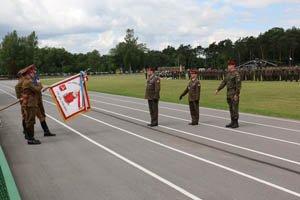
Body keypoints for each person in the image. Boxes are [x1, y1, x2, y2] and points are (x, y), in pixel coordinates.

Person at [215, 61, 241, 128]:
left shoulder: (236, 74)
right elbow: (224, 82)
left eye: (229, 65)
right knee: (231, 108)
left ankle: (236, 122)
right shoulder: (228, 74)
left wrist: (236, 94)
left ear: (233, 66)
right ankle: (232, 122)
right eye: (228, 65)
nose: (228, 66)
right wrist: (218, 89)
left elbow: (238, 86)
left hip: (234, 94)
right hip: (229, 94)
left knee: (235, 108)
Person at [22, 65, 43, 144]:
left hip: (29, 102)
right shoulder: (28, 82)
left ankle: (29, 136)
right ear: (28, 74)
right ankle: (31, 139)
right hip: (31, 103)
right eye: (31, 73)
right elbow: (37, 89)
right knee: (31, 121)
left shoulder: (27, 81)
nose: (33, 74)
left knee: (28, 120)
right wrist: (39, 84)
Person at [31, 67, 55, 137]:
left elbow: (41, 89)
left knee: (42, 115)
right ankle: (29, 134)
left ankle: (46, 131)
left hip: (39, 99)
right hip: (33, 100)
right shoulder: (29, 80)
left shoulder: (36, 78)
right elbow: (36, 89)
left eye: (35, 70)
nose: (35, 72)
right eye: (33, 71)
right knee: (32, 117)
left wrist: (47, 87)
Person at [15, 68, 27, 138]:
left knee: (25, 115)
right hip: (24, 100)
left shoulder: (25, 79)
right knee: (25, 115)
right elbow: (16, 87)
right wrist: (19, 97)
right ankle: (25, 130)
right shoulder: (22, 80)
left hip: (27, 99)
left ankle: (26, 130)